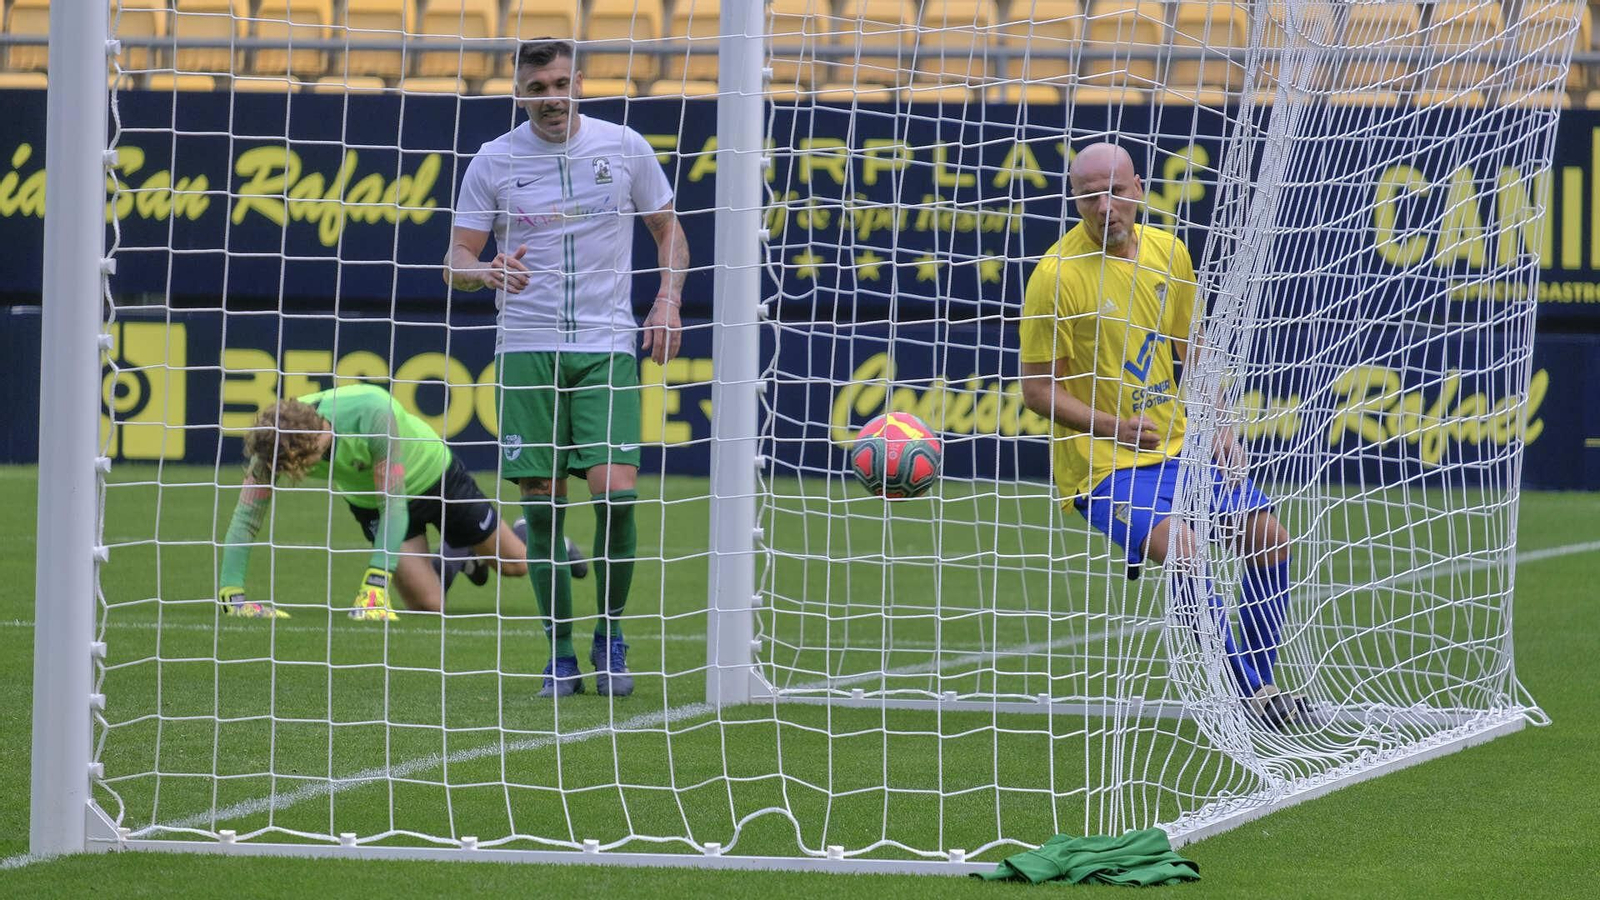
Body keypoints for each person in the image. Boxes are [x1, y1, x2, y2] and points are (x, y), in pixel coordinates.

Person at [1017, 142, 1314, 730]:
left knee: (1271, 540)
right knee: (1185, 552)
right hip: (1104, 468)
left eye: (1116, 192)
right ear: (1075, 200)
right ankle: (1252, 693)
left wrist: (1223, 427)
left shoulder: (1170, 254)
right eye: (1089, 196)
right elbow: (1036, 391)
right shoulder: (1055, 277)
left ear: (1138, 190)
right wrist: (1112, 426)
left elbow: (1194, 353)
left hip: (1179, 449)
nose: (1105, 206)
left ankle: (1259, 678)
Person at [444, 38, 690, 698]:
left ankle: (609, 636)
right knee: (545, 513)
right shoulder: (493, 161)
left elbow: (669, 231)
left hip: (607, 344)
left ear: (578, 81)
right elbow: (456, 259)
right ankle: (560, 654)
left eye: (559, 83)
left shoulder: (623, 146)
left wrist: (666, 300)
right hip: (525, 350)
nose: (551, 97)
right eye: (537, 88)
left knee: (615, 494)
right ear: (520, 95)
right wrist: (483, 270)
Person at [218, 384, 529, 621]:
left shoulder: (372, 412)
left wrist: (375, 585)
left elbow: (393, 502)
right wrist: (232, 596)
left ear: (314, 443)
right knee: (429, 607)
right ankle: (458, 554)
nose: (296, 472)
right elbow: (247, 516)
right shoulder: (275, 443)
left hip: (434, 477)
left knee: (516, 565)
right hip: (369, 501)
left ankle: (526, 532)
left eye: (299, 465)